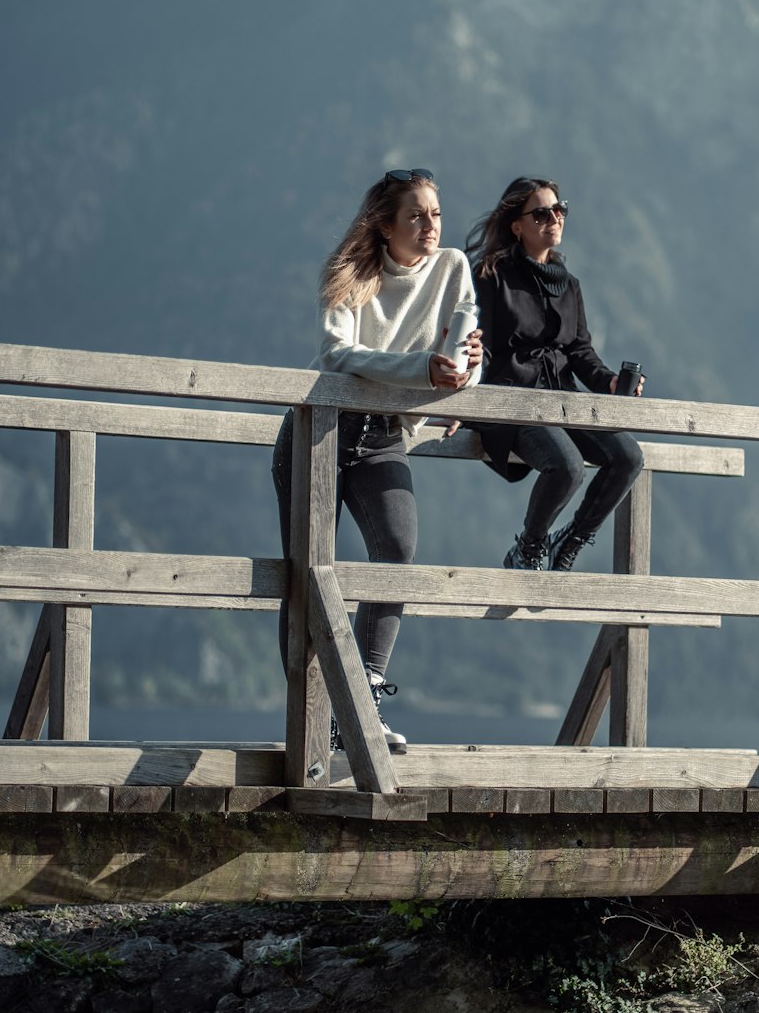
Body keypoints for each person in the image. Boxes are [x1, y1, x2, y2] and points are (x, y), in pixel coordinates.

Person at [272, 168, 482, 753]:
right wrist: (423, 371)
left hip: (385, 435)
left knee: (396, 555)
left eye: (435, 213)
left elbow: (464, 353)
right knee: (308, 576)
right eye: (415, 215)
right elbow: (336, 354)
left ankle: (357, 708)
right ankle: (314, 718)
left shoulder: (454, 268)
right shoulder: (351, 275)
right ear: (386, 226)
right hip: (320, 433)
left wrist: (464, 377)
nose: (429, 225)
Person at [465, 176, 644, 571]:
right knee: (568, 466)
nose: (555, 218)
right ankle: (528, 547)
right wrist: (460, 392)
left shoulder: (569, 285)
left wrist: (609, 382)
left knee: (629, 456)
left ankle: (571, 539)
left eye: (560, 209)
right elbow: (481, 345)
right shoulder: (492, 276)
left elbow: (580, 352)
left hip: (563, 400)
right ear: (517, 225)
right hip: (513, 399)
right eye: (542, 213)